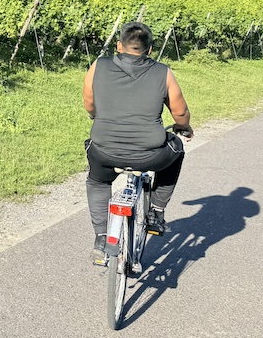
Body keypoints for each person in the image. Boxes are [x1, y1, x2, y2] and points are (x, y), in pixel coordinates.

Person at [82, 21, 193, 265]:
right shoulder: (163, 72)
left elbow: (89, 102)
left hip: (105, 150)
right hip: (151, 154)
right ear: (150, 49)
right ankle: (156, 211)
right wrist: (183, 127)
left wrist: (97, 116)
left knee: (98, 180)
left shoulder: (98, 65)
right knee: (177, 149)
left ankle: (101, 237)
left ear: (119, 45)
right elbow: (180, 113)